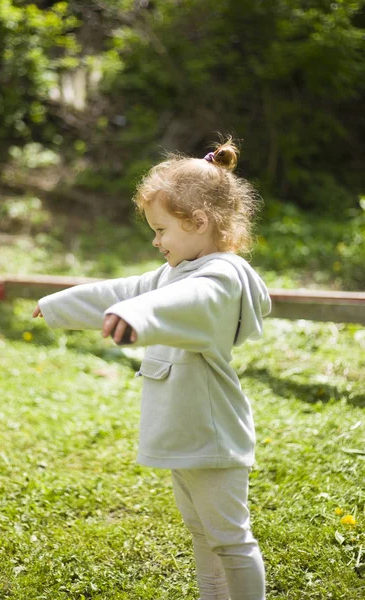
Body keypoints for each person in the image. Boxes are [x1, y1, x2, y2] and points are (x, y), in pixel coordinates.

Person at [33, 138, 271, 600]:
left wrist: (138, 318)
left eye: (161, 229)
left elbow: (183, 303)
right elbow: (123, 291)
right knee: (202, 534)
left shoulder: (219, 276)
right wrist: (59, 306)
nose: (156, 240)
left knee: (230, 539)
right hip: (186, 434)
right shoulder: (175, 270)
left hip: (212, 437)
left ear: (198, 222)